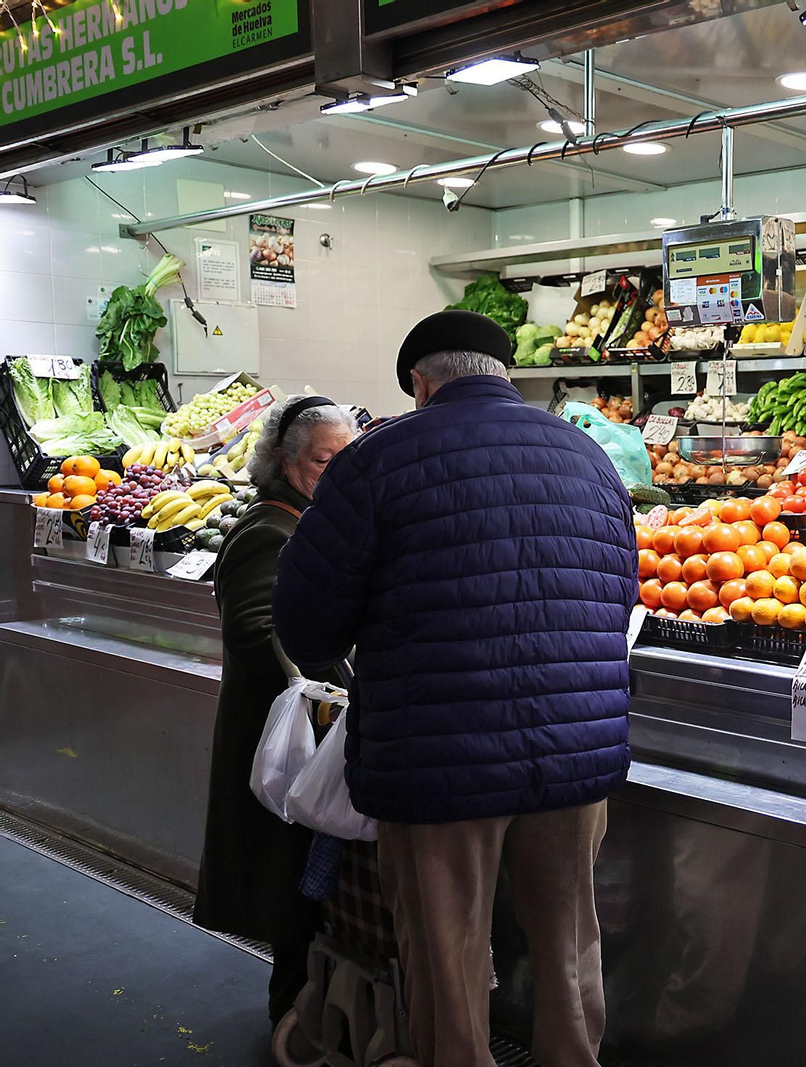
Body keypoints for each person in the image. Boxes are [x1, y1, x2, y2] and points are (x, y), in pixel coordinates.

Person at [271, 309, 637, 1067]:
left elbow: (306, 622)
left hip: (438, 758)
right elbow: (619, 593)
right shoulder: (591, 458)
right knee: (570, 953)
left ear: (419, 382)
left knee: (449, 962)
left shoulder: (378, 460)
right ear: (503, 373)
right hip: (575, 752)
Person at [193, 395, 358, 1026]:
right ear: (284, 461)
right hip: (284, 735)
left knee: (303, 889)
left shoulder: (306, 522)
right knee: (289, 889)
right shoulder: (268, 531)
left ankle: (306, 1014)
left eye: (348, 459)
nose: (337, 472)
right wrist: (332, 675)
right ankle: (295, 1022)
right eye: (323, 461)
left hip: (305, 731)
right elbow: (257, 631)